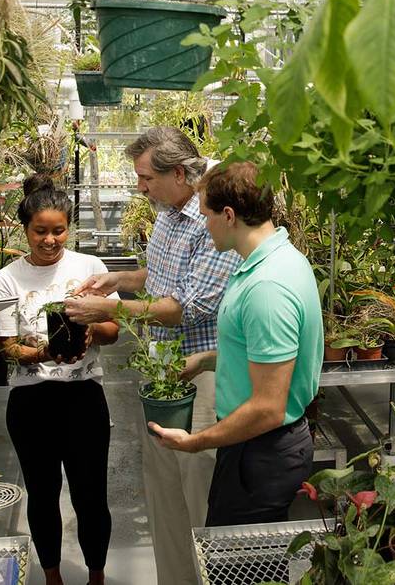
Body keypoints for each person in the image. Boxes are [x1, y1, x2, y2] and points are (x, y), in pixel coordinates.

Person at [66, 127, 239, 585]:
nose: (140, 187)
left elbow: (188, 306)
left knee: (198, 494)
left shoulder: (211, 220)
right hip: (162, 370)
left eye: (146, 177)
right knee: (164, 496)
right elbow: (164, 275)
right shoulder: (168, 211)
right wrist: (119, 281)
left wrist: (110, 310)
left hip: (202, 375)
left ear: (180, 173)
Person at [150, 162, 323, 526]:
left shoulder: (267, 288)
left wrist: (195, 442)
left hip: (262, 449)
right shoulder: (276, 261)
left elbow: (267, 408)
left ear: (229, 215)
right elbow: (260, 354)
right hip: (257, 444)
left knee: (240, 567)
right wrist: (206, 360)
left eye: (206, 216)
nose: (204, 225)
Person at [0, 176, 120, 585]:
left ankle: (96, 574)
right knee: (42, 495)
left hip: (84, 398)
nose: (49, 240)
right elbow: (6, 347)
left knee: (90, 494)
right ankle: (52, 577)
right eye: (40, 231)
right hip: (31, 403)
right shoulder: (6, 279)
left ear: (69, 227)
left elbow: (114, 329)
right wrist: (44, 353)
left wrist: (88, 332)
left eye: (58, 230)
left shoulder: (90, 268)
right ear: (25, 230)